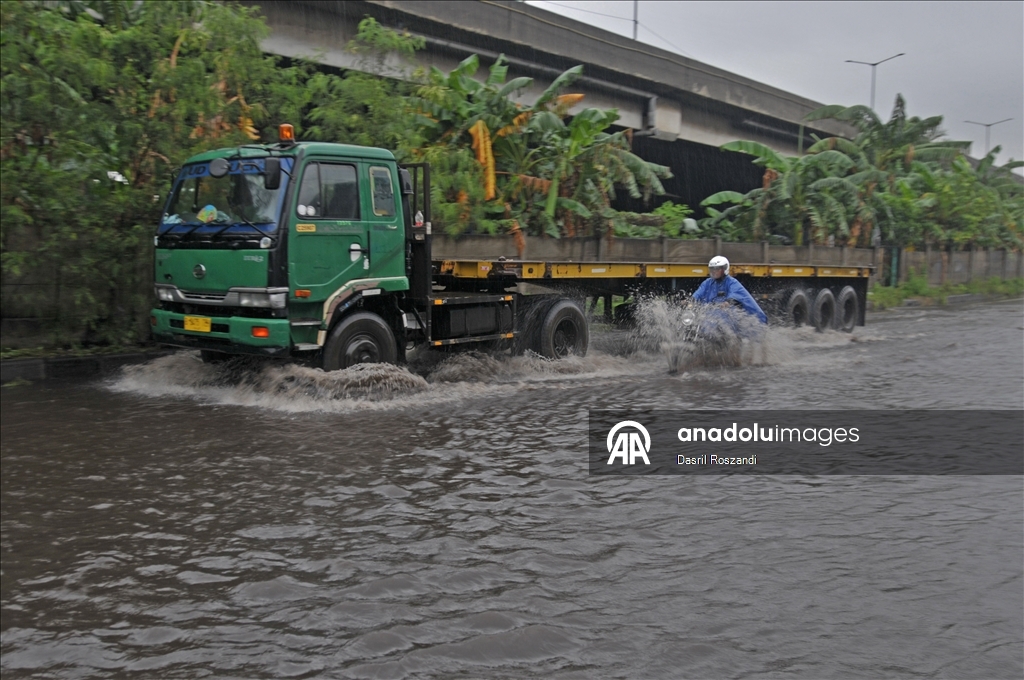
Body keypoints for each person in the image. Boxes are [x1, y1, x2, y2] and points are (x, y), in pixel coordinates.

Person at [691, 256, 768, 324]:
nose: (714, 271)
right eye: (712, 269)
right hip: (712, 312)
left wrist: (727, 302)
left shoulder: (732, 282)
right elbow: (698, 293)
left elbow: (735, 295)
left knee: (718, 318)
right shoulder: (707, 282)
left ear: (724, 269)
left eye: (717, 269)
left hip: (735, 315)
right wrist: (689, 300)